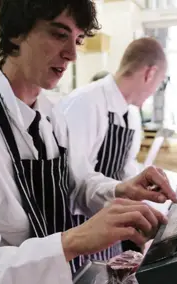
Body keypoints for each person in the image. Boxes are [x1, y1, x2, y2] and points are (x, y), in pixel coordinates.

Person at [0, 1, 177, 284]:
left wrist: (121, 189)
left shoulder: (51, 116)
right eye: (58, 35)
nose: (71, 54)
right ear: (16, 32)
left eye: (77, 40)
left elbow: (77, 182)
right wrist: (71, 242)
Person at [58, 37, 168, 260]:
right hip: (79, 232)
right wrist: (121, 192)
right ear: (149, 74)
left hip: (113, 230)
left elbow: (126, 169)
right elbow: (72, 183)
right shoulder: (84, 103)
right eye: (159, 83)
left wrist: (149, 200)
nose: (153, 91)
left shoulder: (132, 115)